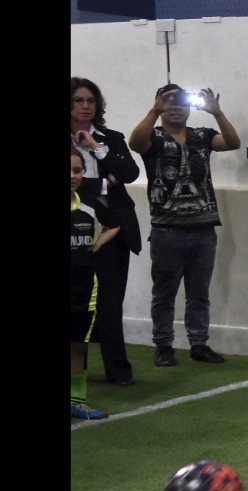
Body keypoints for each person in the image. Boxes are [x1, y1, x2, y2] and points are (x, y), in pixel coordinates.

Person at [128, 84, 241, 368]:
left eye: (181, 101)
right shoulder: (153, 137)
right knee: (164, 293)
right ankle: (163, 345)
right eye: (169, 102)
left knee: (199, 292)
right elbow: (134, 143)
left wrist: (217, 113)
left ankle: (199, 343)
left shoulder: (202, 136)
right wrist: (155, 110)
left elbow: (232, 143)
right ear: (159, 105)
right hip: (167, 230)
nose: (176, 107)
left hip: (203, 229)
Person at [71, 77, 142, 387]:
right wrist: (102, 183)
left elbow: (129, 173)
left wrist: (96, 148)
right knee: (76, 305)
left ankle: (118, 370)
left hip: (114, 230)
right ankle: (78, 373)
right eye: (78, 100)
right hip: (77, 231)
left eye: (90, 100)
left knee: (110, 303)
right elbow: (87, 186)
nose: (85, 106)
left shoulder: (109, 138)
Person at [72, 146, 119, 420]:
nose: (72, 175)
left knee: (78, 346)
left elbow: (115, 223)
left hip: (83, 292)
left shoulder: (89, 208)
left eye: (77, 170)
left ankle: (75, 401)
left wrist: (95, 246)